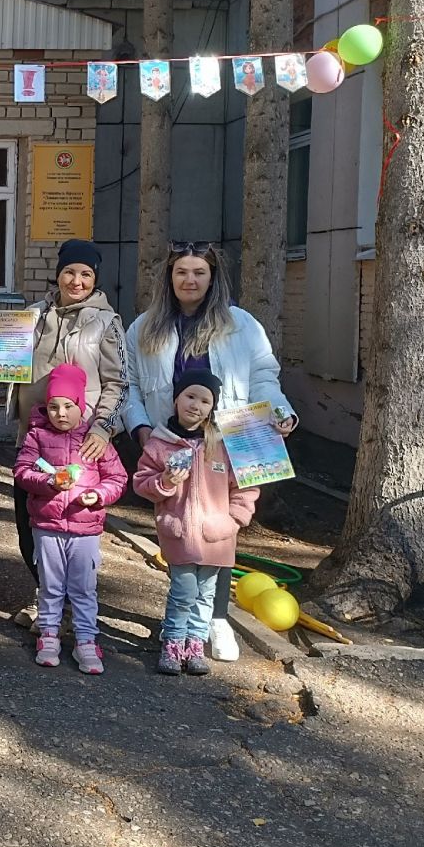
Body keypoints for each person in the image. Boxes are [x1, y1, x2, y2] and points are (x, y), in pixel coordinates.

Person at [122, 241, 294, 662]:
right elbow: (129, 385)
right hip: (172, 446)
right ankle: (181, 622)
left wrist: (279, 411)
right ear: (169, 277)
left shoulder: (241, 324)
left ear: (213, 277)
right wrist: (141, 429)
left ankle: (215, 619)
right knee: (179, 530)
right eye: (181, 271)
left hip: (227, 443)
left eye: (199, 272)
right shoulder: (144, 327)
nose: (190, 280)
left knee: (221, 530)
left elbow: (264, 376)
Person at [8, 238, 126, 629]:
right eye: (70, 272)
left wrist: (103, 428)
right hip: (34, 438)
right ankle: (44, 595)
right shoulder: (34, 316)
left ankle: (73, 605)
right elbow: (10, 362)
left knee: (73, 525)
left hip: (82, 444)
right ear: (58, 274)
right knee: (32, 522)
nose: (77, 281)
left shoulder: (107, 323)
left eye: (86, 274)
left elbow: (119, 382)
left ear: (95, 279)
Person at [132, 370, 259, 675]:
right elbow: (141, 483)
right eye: (190, 396)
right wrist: (165, 482)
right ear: (176, 398)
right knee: (183, 592)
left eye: (205, 401)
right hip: (179, 534)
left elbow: (246, 484)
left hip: (218, 536)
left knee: (206, 595)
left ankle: (195, 644)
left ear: (212, 407)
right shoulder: (160, 444)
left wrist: (236, 518)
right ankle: (173, 643)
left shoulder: (223, 445)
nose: (196, 405)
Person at [12, 363, 129, 675]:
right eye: (53, 407)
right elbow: (22, 471)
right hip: (47, 526)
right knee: (50, 585)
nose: (60, 414)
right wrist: (48, 482)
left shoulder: (95, 440)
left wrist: (98, 495)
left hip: (85, 528)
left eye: (68, 406)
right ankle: (48, 634)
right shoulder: (37, 436)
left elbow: (118, 479)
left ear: (81, 406)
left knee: (83, 588)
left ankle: (86, 639)